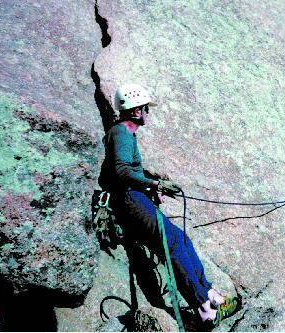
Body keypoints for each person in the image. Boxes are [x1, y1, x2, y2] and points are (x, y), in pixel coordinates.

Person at [98, 83, 238, 326]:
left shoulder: (125, 134)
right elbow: (121, 171)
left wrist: (151, 187)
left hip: (135, 197)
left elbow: (125, 171)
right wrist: (153, 184)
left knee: (182, 240)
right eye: (145, 109)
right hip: (130, 200)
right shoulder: (121, 132)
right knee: (173, 243)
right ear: (135, 110)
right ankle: (205, 308)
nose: (147, 114)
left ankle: (209, 294)